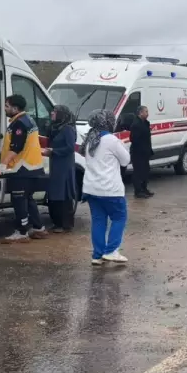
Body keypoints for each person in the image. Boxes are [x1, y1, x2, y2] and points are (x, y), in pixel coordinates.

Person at [80, 109, 130, 265]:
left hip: (91, 188)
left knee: (98, 221)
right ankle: (111, 251)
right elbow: (125, 160)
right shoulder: (111, 140)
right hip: (110, 189)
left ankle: (97, 255)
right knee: (119, 218)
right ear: (108, 122)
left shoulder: (89, 139)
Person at [0, 94, 47, 241]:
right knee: (28, 199)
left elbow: (16, 148)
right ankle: (38, 228)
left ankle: (22, 232)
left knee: (19, 200)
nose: (5, 108)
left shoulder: (19, 124)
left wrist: (3, 164)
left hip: (21, 169)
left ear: (15, 108)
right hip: (31, 168)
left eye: (7, 106)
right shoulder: (27, 119)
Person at [42, 105, 78, 232]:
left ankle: (65, 224)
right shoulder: (54, 128)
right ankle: (56, 222)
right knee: (54, 193)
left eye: (55, 112)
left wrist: (53, 151)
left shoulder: (68, 129)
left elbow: (70, 148)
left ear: (62, 114)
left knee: (63, 194)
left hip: (64, 166)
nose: (52, 113)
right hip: (54, 164)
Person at [129, 105, 154, 198]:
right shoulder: (136, 124)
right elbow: (133, 139)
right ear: (141, 113)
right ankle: (138, 191)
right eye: (146, 112)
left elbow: (147, 138)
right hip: (137, 153)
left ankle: (144, 188)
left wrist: (149, 150)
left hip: (145, 152)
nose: (147, 114)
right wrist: (141, 149)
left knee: (146, 171)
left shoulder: (146, 123)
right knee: (138, 172)